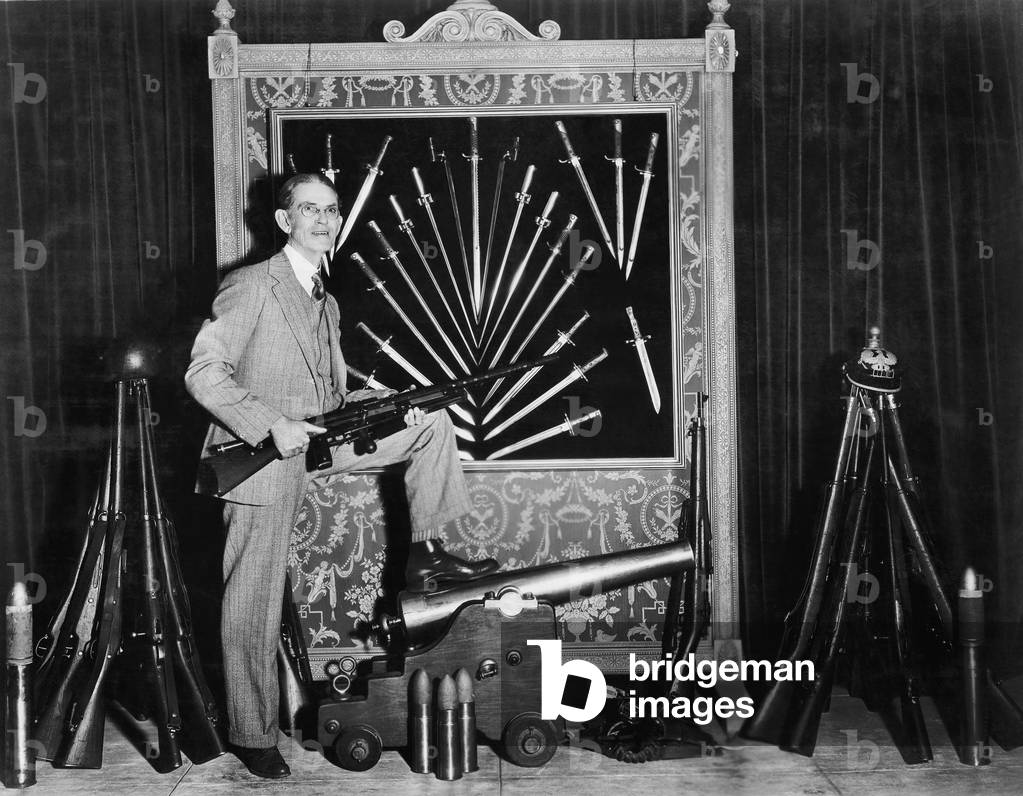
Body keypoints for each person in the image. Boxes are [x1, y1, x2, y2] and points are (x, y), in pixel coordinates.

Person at [185, 173, 497, 779]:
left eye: (331, 210)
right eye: (309, 210)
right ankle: (252, 734)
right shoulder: (252, 285)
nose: (323, 221)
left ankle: (429, 557)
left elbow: (329, 392)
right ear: (284, 222)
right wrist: (271, 424)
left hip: (318, 444)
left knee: (431, 421)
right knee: (253, 596)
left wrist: (378, 400)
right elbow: (204, 373)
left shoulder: (325, 300)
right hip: (259, 457)